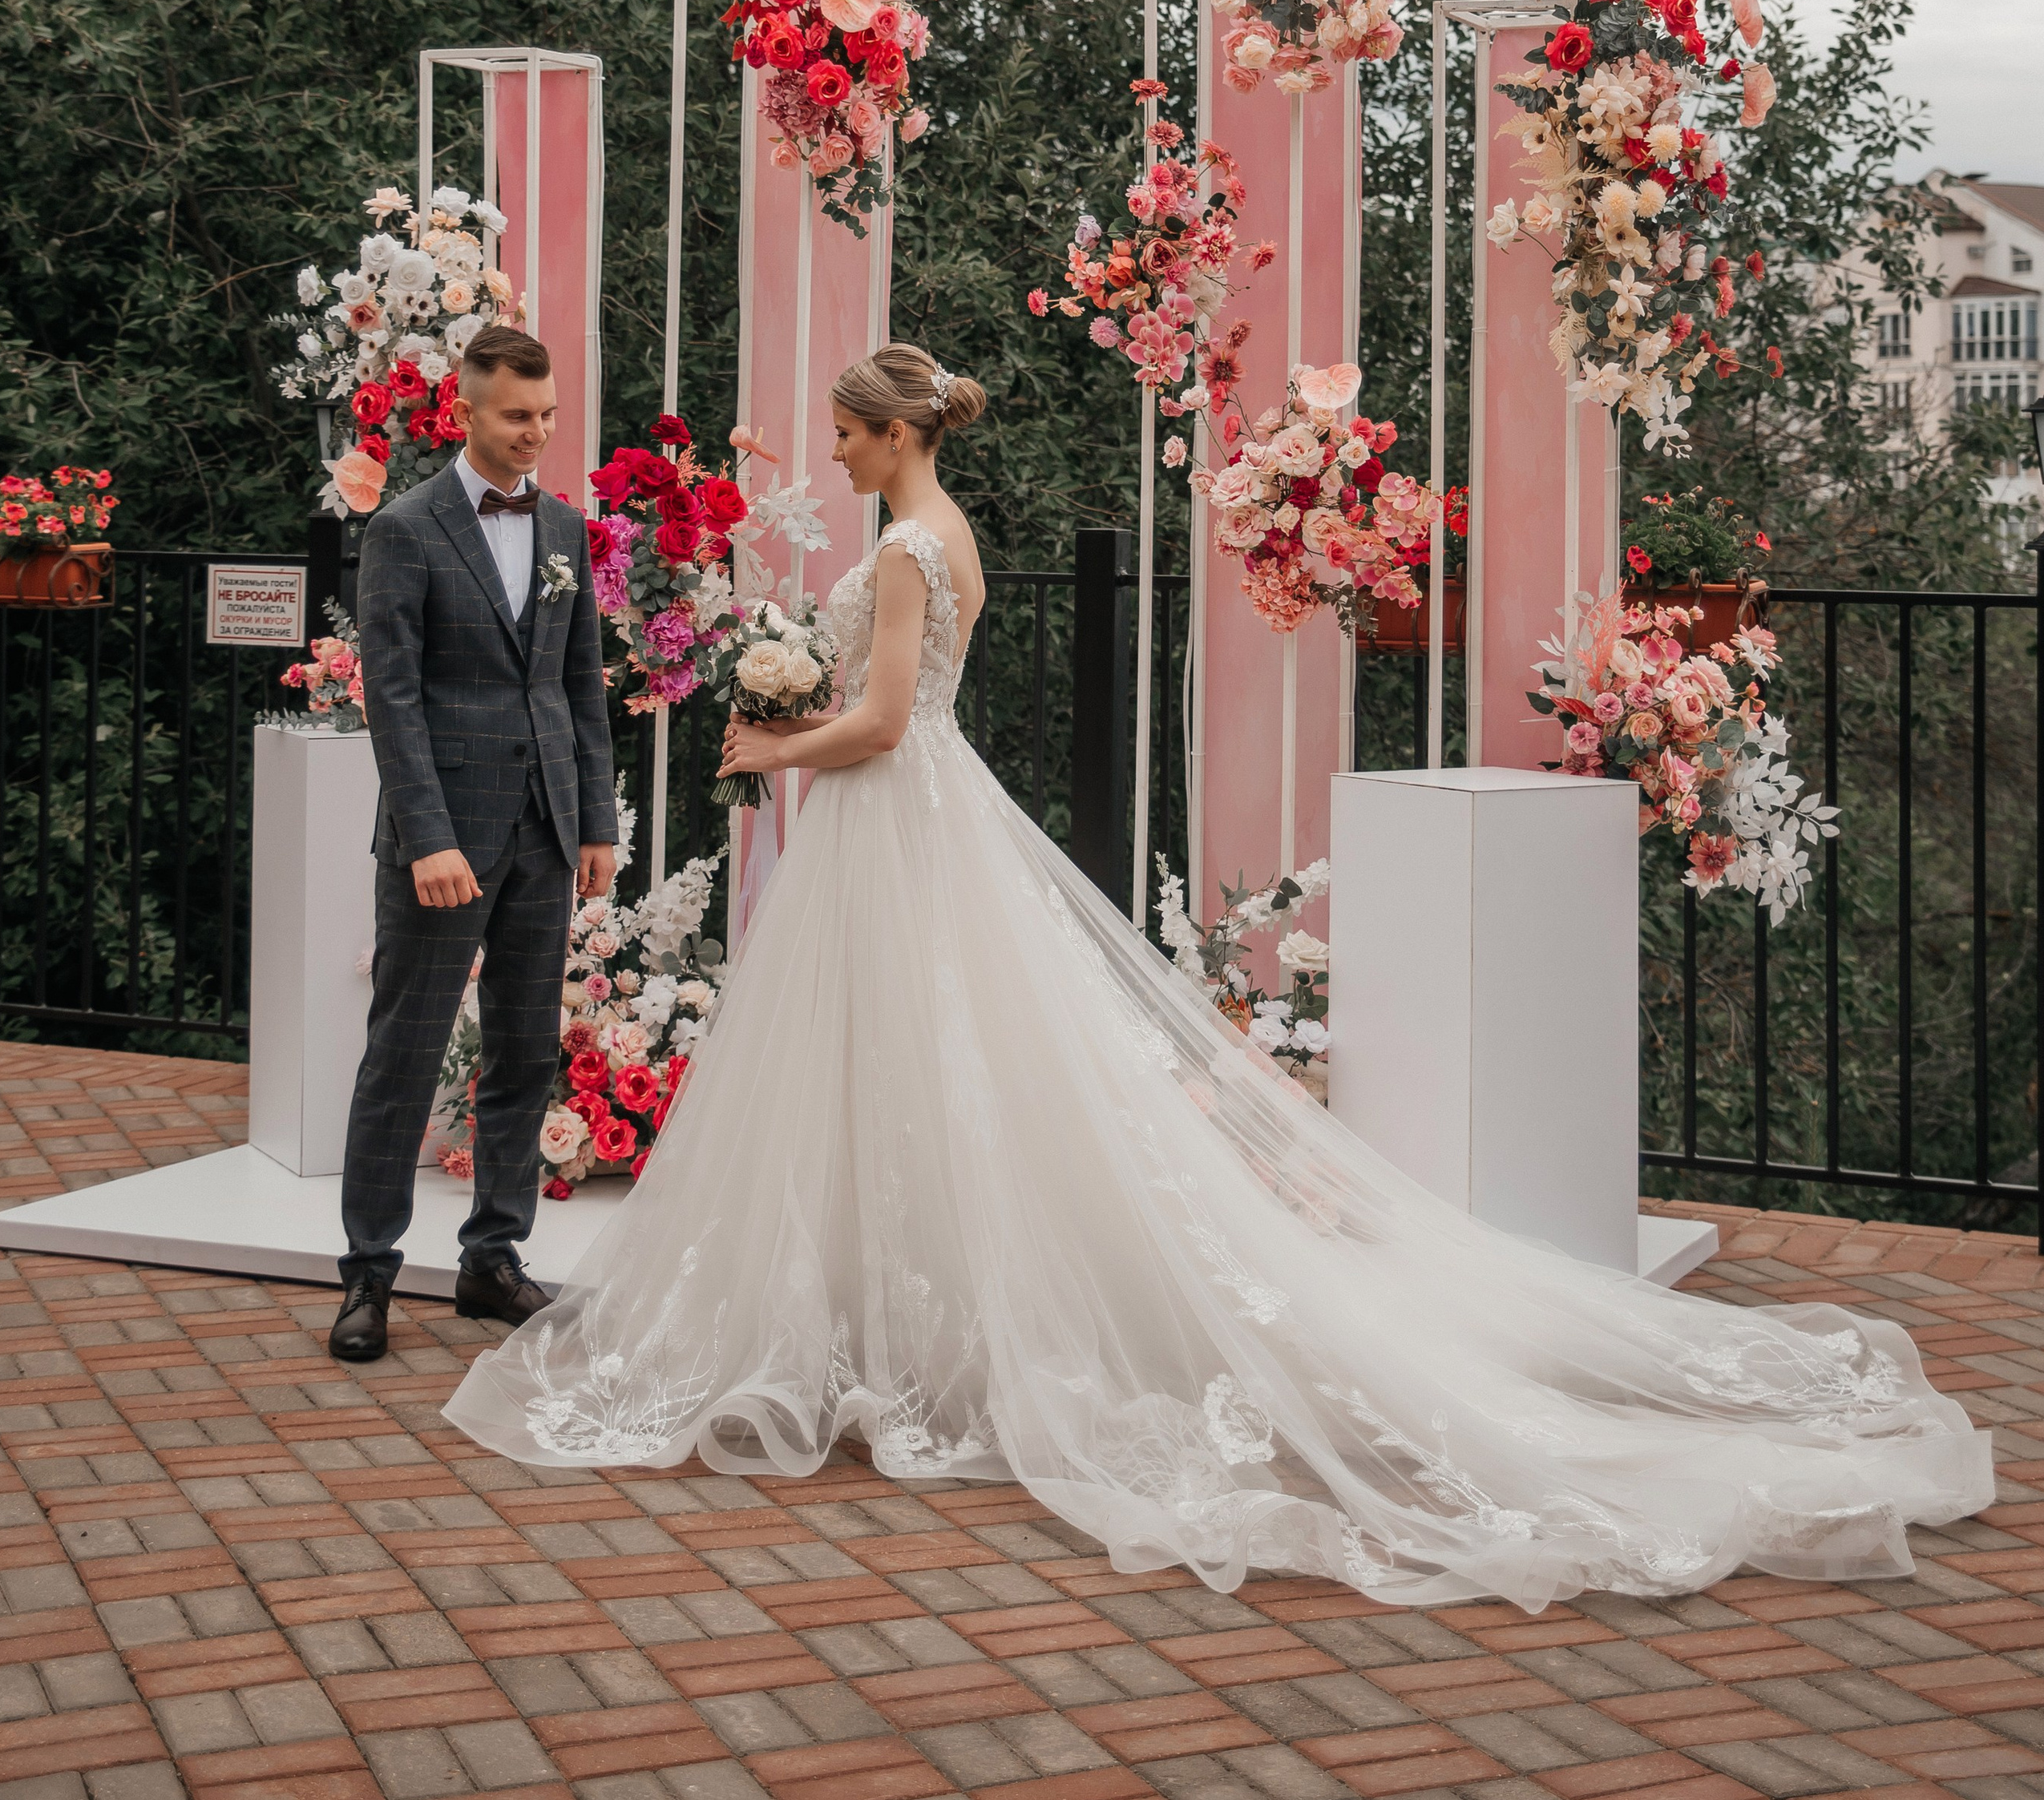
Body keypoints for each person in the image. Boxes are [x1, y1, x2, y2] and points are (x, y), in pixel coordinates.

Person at [442, 344, 1989, 1608]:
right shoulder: (945, 536)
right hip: (907, 832)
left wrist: (777, 735)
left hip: (890, 817)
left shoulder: (908, 551)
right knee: (928, 1067)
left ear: (881, 433)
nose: (832, 456)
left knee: (912, 1058)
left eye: (842, 436)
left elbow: (894, 721)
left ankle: (902, 1340)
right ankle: (888, 1329)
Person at [329, 322, 617, 1362]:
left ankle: (493, 1258)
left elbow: (578, 684)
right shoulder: (405, 529)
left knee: (526, 1050)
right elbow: (393, 699)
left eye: (547, 416)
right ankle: (367, 1277)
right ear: (467, 411)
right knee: (402, 1054)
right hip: (442, 838)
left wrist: (596, 823)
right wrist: (428, 838)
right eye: (517, 415)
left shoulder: (567, 533)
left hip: (545, 829)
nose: (536, 433)